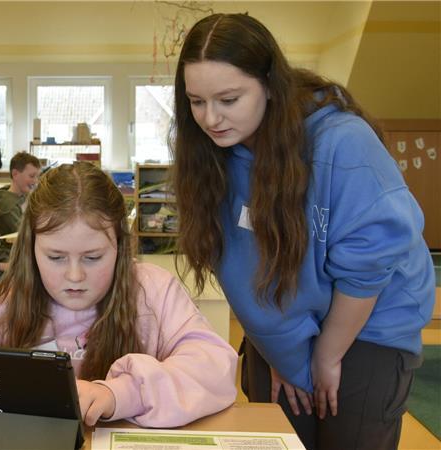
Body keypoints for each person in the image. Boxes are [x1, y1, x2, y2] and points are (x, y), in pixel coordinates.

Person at [171, 13, 435, 450]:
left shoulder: (342, 142)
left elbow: (368, 264)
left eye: (229, 99)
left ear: (271, 86)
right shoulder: (210, 152)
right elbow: (236, 264)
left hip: (363, 324)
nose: (211, 118)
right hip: (282, 324)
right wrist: (281, 353)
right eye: (196, 102)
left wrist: (327, 355)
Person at [0, 162, 237, 427]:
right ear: (31, 249)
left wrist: (121, 393)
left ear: (119, 247)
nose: (75, 276)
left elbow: (214, 366)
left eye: (93, 257)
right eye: (55, 257)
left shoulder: (153, 290)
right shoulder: (13, 295)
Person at [0, 151, 41, 234]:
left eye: (37, 176)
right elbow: (25, 236)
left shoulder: (21, 195)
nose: (35, 181)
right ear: (15, 174)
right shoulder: (7, 208)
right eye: (31, 176)